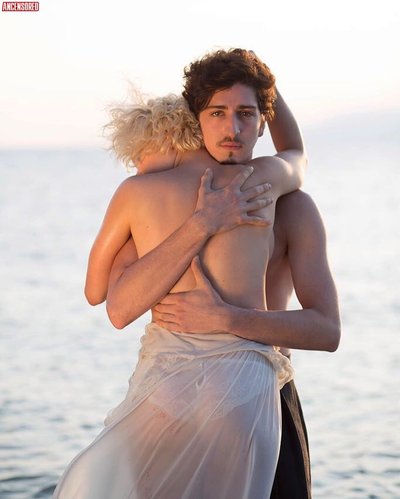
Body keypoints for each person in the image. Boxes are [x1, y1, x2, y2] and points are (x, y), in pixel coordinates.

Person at [54, 48, 309, 498]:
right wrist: (264, 86)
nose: (136, 162)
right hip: (242, 382)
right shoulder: (257, 180)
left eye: (138, 151)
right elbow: (297, 153)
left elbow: (98, 295)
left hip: (166, 383)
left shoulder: (135, 194)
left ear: (166, 139)